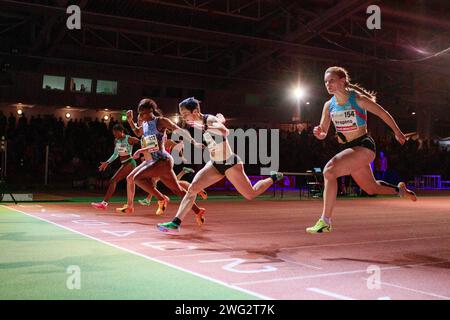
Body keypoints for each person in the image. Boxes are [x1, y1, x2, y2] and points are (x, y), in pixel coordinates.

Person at [306, 66, 417, 234]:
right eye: (326, 82)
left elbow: (383, 113)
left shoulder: (358, 99)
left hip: (364, 146)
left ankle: (325, 221)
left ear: (342, 81)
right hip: (349, 150)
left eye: (332, 81)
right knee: (371, 188)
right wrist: (318, 133)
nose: (328, 84)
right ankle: (400, 190)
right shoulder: (328, 105)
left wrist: (398, 133)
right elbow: (323, 131)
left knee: (329, 171)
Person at [157, 97, 283, 233]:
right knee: (192, 188)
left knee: (250, 194)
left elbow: (225, 132)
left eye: (185, 114)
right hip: (215, 164)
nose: (184, 118)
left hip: (230, 164)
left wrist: (209, 125)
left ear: (195, 111)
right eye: (182, 115)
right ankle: (176, 222)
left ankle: (273, 177)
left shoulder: (208, 120)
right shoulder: (198, 123)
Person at [117, 98, 206, 225]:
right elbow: (137, 132)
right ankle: (198, 211)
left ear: (151, 111)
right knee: (178, 191)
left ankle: (162, 198)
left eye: (143, 113)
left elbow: (179, 130)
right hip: (155, 161)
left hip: (163, 161)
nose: (141, 116)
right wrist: (130, 121)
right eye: (140, 113)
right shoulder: (146, 124)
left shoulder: (161, 121)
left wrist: (194, 143)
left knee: (137, 178)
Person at [91, 124, 139, 210]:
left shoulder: (129, 139)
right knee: (135, 182)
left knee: (114, 180)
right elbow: (116, 154)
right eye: (114, 134)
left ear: (122, 131)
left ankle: (104, 203)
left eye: (116, 133)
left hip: (130, 163)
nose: (115, 135)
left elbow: (141, 141)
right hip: (124, 164)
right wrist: (107, 162)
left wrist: (141, 152)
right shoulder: (116, 140)